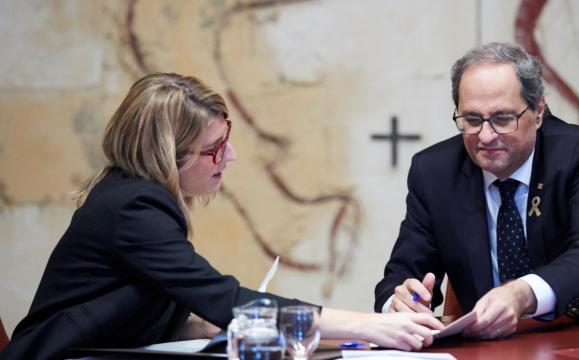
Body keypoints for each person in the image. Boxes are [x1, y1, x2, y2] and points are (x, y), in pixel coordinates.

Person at [1, 73, 443, 360]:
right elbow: (223, 298)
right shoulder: (134, 207)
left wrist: (240, 326)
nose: (228, 156)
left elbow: (167, 305)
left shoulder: (131, 197)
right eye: (213, 148)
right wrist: (373, 326)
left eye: (225, 139)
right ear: (168, 154)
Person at [374, 42, 579, 340]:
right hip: (492, 347)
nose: (486, 136)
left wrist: (523, 292)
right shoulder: (434, 172)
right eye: (472, 120)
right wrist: (398, 304)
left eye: (502, 119)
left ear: (538, 111)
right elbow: (399, 275)